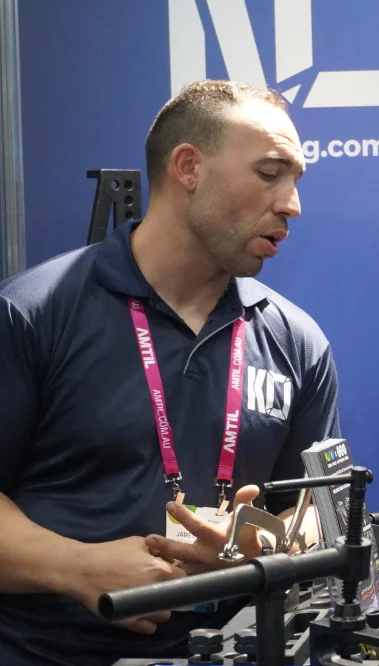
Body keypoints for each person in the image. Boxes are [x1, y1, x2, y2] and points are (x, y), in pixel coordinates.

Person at [0, 80, 341, 666]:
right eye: (269, 173)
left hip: (242, 652)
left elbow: (324, 514)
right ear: (188, 167)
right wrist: (76, 567)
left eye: (296, 181)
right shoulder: (32, 314)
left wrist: (263, 547)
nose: (292, 204)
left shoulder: (295, 340)